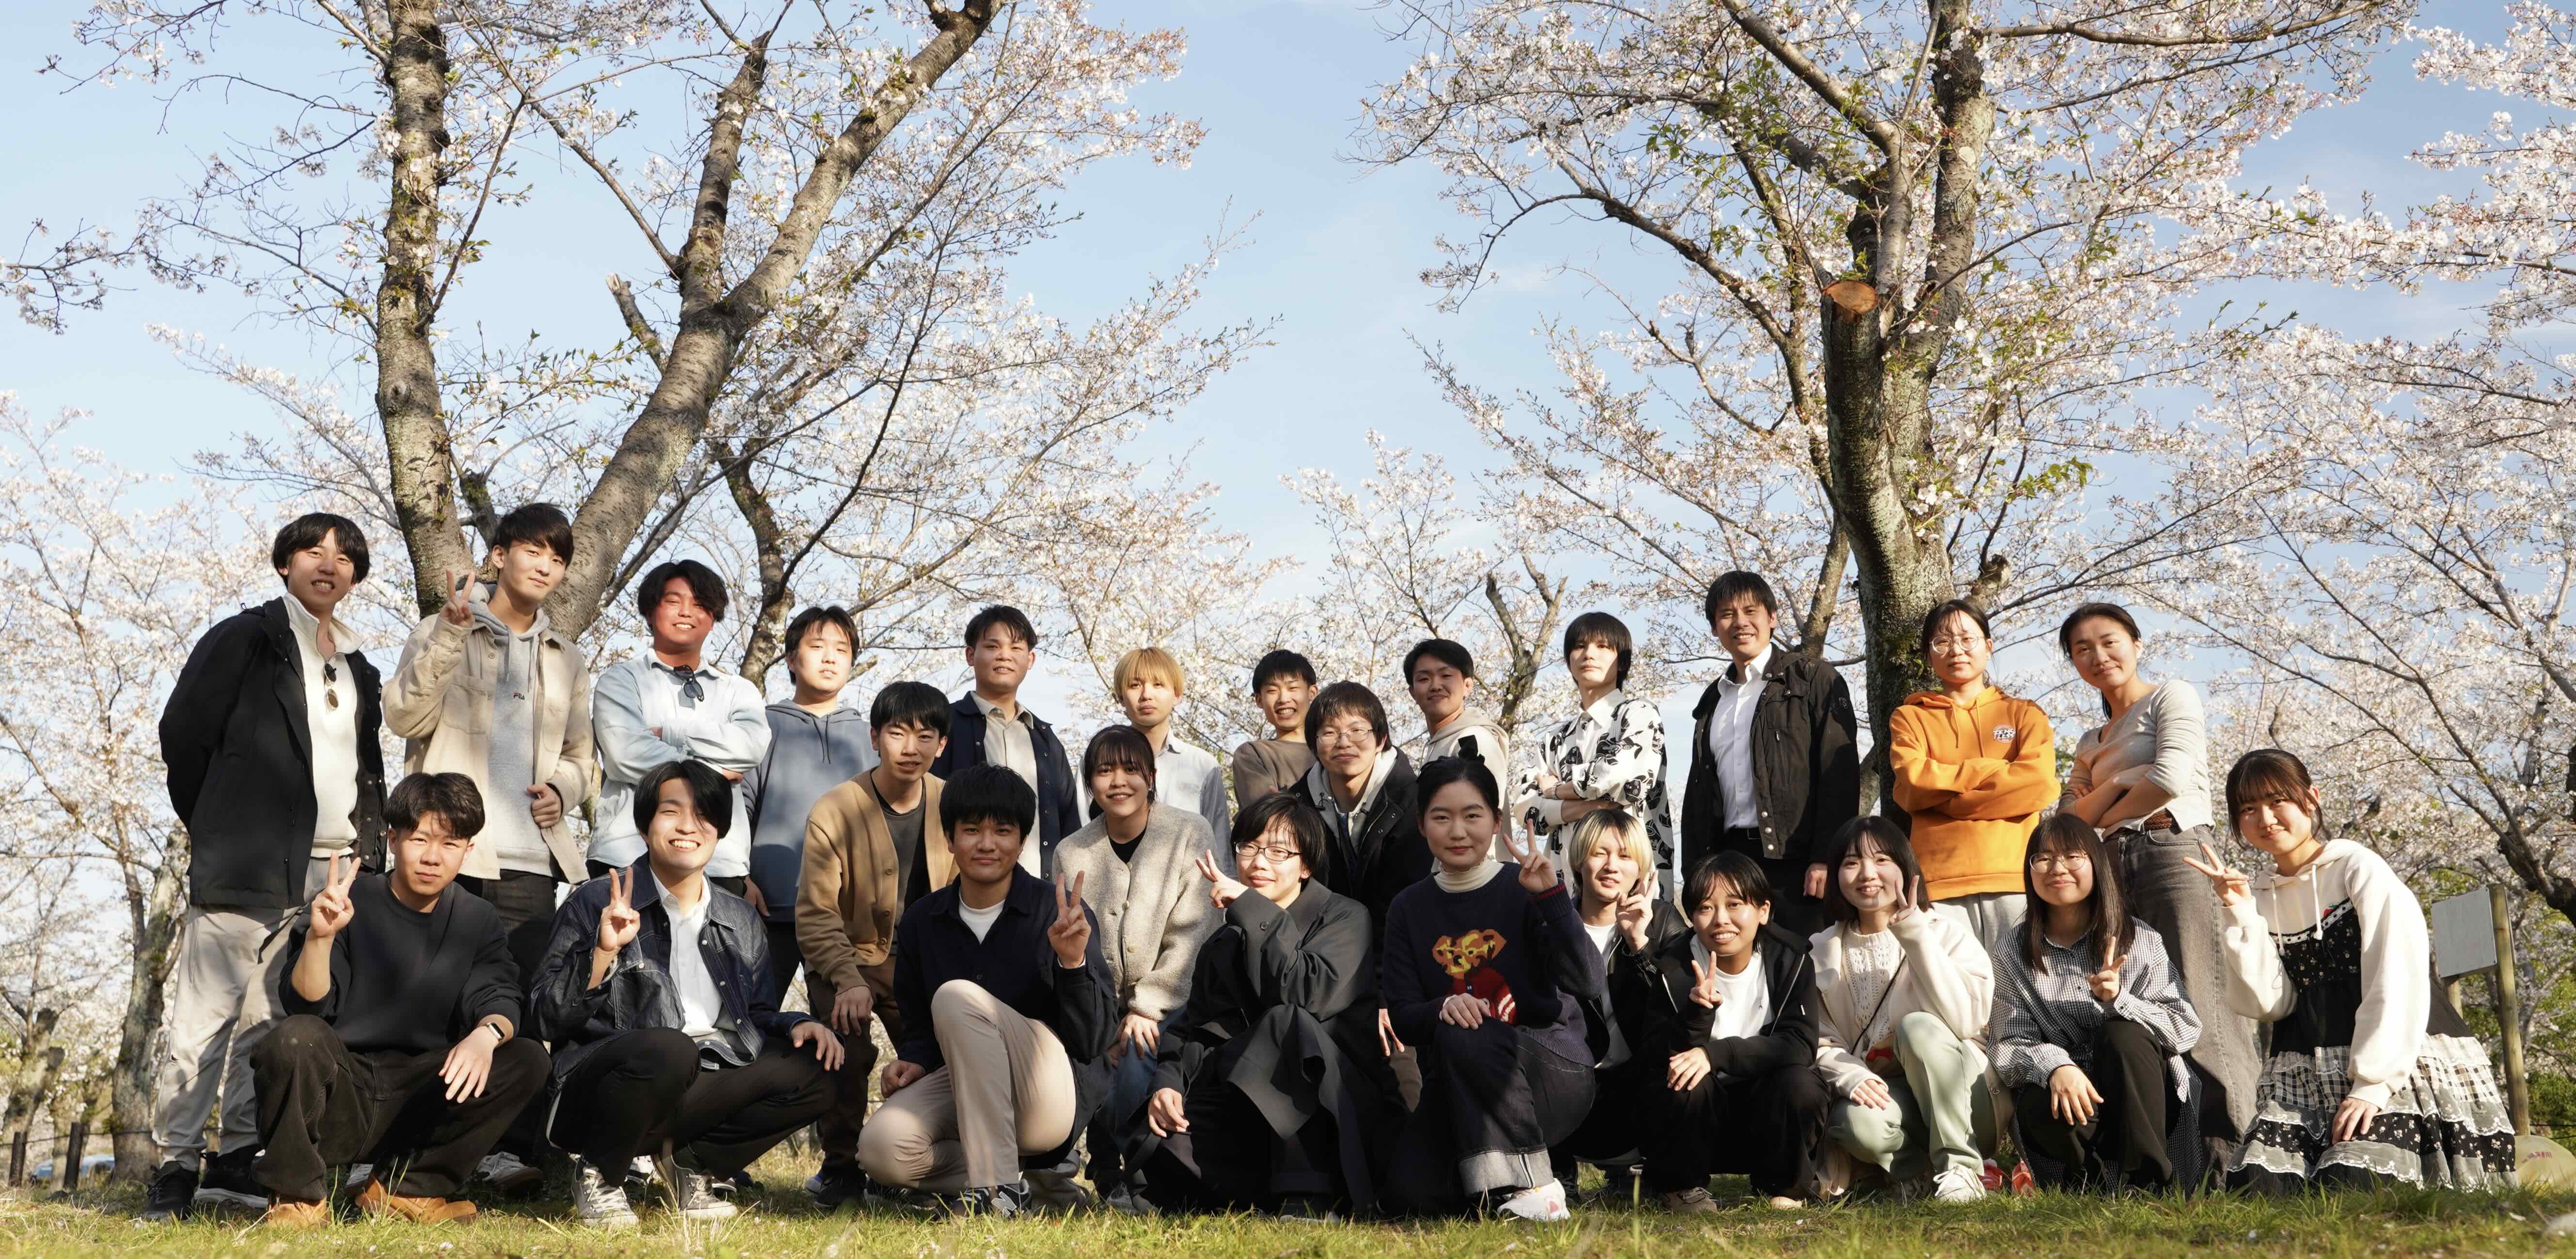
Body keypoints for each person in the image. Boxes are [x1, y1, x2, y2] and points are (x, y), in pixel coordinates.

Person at [147, 511, 391, 1221]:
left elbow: (364, 766)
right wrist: (217, 819)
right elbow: (183, 732)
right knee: (204, 1021)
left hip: (327, 869)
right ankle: (175, 1163)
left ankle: (238, 1156)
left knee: (272, 1018)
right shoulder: (245, 638)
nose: (328, 563)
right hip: (246, 861)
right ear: (285, 563)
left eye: (344, 555)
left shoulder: (358, 664)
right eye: (313, 550)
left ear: (355, 575)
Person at [2183, 749, 2516, 1192]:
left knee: (2356, 1179)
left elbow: (2395, 970)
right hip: (2307, 1066)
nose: (2265, 818)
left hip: (2394, 1059)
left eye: (2278, 800)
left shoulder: (2358, 868)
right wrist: (2240, 910)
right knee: (2261, 1185)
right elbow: (2270, 1004)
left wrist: (2372, 1084)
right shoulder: (2258, 894)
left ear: (2311, 799)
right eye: (2248, 808)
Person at [382, 501, 595, 1192]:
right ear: (499, 555)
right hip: (449, 850)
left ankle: (498, 1150)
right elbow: (403, 716)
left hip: (531, 859)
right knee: (428, 998)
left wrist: (563, 787)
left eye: (557, 558)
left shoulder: (568, 658)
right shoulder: (445, 627)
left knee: (515, 1008)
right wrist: (449, 632)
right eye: (533, 550)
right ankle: (401, 1147)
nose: (545, 566)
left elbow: (584, 757)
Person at [534, 760, 843, 1227]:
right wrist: (602, 953)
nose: (687, 827)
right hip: (601, 1091)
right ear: (644, 827)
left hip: (697, 1082)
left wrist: (798, 1023)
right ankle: (599, 1171)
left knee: (821, 1064)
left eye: (702, 815)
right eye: (671, 812)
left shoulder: (739, 917)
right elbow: (544, 1015)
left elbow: (756, 1016)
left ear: (719, 831)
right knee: (670, 1047)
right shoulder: (595, 901)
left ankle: (692, 1164)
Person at [249, 773, 547, 1227]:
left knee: (526, 1057)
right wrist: (320, 938)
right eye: (420, 839)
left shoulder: (477, 917)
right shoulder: (348, 900)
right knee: (294, 1039)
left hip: (425, 1097)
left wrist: (486, 1035)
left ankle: (406, 1188)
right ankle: (296, 1196)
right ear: (393, 840)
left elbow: (500, 994)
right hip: (343, 1091)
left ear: (468, 850)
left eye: (450, 844)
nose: (432, 857)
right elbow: (307, 1006)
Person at [858, 764, 1117, 1217]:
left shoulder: (1056, 913)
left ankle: (997, 1193)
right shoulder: (923, 921)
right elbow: (919, 1026)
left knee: (956, 996)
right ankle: (1023, 1181)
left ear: (1021, 840)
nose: (986, 843)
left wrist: (1072, 963)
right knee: (882, 1147)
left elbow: (1093, 1040)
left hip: (1046, 1093)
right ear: (949, 838)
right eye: (972, 829)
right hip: (966, 1087)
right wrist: (914, 1062)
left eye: (1002, 830)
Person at [2056, 601, 2258, 1162]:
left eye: (2109, 641)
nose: (2098, 656)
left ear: (2136, 643)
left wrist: (2101, 804)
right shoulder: (2089, 740)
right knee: (2134, 999)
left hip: (2173, 852)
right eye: (2082, 649)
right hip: (2111, 868)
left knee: (2201, 996)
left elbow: (2169, 777)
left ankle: (2235, 1155)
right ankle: (2176, 1155)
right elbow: (2068, 820)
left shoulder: (2172, 696)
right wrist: (2122, 779)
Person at [1135, 792, 1396, 1218]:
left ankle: (1309, 1195)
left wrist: (1251, 908)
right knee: (1165, 1147)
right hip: (1249, 1106)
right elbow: (1192, 1027)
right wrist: (1167, 1084)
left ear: (1306, 866)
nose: (1259, 863)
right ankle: (1256, 1191)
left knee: (1286, 1022)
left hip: (1335, 1109)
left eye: (1278, 852)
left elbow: (1305, 992)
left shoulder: (1346, 917)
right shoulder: (1224, 941)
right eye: (1249, 848)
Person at [1382, 758, 1604, 1222]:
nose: (1458, 831)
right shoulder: (1408, 907)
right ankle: (1497, 1189)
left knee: (1471, 1028)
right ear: (1422, 825)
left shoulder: (1526, 887)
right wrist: (1444, 1005)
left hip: (1550, 1069)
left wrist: (1551, 898)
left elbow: (1588, 980)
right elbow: (1403, 1015)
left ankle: (1534, 1186)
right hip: (1461, 1078)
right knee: (1411, 1195)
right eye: (1442, 817)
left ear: (1497, 821)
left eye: (1473, 815)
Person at [794, 679, 954, 1208]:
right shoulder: (836, 809)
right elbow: (816, 912)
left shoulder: (953, 803)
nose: (911, 747)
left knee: (942, 1052)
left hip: (926, 963)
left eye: (925, 736)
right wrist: (847, 979)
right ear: (874, 737)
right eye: (898, 733)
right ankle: (841, 1167)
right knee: (847, 1045)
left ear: (942, 744)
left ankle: (911, 1165)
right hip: (851, 955)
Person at [1990, 814, 2201, 1193]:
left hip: (2145, 1099)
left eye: (2073, 856)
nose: (2058, 868)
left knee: (2121, 1035)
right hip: (2077, 1102)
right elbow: (2007, 1043)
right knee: (2037, 1097)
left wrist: (2121, 1001)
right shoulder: (2013, 950)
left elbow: (2185, 1027)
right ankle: (2097, 1187)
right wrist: (2056, 1066)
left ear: (2097, 864)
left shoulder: (2140, 939)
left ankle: (2150, 1185)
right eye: (2044, 858)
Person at [1054, 725, 1218, 1206]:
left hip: (1176, 997)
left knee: (1139, 1050)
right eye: (1105, 771)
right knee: (1093, 1054)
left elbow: (1194, 931)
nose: (1118, 781)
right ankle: (1106, 1171)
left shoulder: (1189, 832)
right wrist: (1103, 1018)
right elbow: (1075, 941)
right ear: (1090, 782)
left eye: (1130, 769)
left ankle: (1138, 1174)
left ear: (1151, 776)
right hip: (1100, 1003)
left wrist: (1147, 1006)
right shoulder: (1072, 851)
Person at [1809, 816, 2000, 1204]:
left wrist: (1915, 935)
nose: (1867, 874)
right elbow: (1817, 1038)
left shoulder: (1945, 931)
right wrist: (1850, 1075)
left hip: (1966, 1096)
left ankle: (1961, 1168)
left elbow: (1967, 1021)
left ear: (1905, 866)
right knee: (1853, 1122)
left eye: (1882, 860)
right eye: (1851, 862)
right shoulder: (1821, 949)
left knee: (1918, 1028)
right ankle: (1915, 1175)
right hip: (1891, 1098)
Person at [1631, 852, 1827, 1212]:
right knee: (1682, 1075)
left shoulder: (1791, 958)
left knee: (1801, 1083)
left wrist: (1716, 1054)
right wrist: (1697, 1017)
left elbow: (1799, 1044)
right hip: (1701, 1123)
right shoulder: (1674, 967)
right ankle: (1682, 1187)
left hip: (1765, 1113)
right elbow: (1654, 1060)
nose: (1721, 919)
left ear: (1763, 910)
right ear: (1692, 917)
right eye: (1706, 908)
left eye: (1735, 904)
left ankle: (1784, 1185)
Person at [1680, 571, 1859, 939]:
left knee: (1807, 964)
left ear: (1772, 617)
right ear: (1714, 628)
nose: (1740, 622)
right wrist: (1696, 871)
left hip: (1798, 863)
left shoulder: (1813, 680)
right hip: (1730, 865)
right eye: (1727, 614)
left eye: (1751, 611)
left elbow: (1838, 775)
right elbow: (1698, 794)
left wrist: (1826, 856)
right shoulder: (1712, 701)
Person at [1887, 599, 2057, 953]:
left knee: (2020, 985)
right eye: (1942, 641)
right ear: (1928, 654)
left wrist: (1945, 796)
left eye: (1968, 639)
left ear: (1988, 646)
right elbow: (1913, 782)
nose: (1956, 650)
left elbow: (2038, 784)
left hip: (2015, 876)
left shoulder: (2024, 714)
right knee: (1952, 985)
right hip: (1938, 880)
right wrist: (1988, 769)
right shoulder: (1910, 717)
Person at [591, 559, 770, 890]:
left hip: (719, 860)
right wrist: (714, 771)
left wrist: (674, 733)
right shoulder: (621, 680)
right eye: (673, 601)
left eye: (700, 605)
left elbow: (752, 746)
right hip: (628, 852)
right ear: (650, 612)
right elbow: (625, 754)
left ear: (713, 619)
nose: (686, 612)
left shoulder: (738, 690)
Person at [1549, 807, 1687, 1204]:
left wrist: (1640, 946)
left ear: (1641, 868)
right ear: (1580, 860)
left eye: (1625, 856)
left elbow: (1682, 1016)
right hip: (1570, 1086)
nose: (1612, 866)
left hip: (1639, 1089)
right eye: (1600, 853)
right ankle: (1557, 1176)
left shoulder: (1663, 922)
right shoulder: (1554, 925)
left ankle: (1662, 1177)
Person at [743, 604, 876, 996]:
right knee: (751, 1014)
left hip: (847, 913)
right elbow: (738, 807)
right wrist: (740, 878)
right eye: (817, 646)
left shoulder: (871, 737)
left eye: (842, 649)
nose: (830, 657)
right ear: (791, 659)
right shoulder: (762, 725)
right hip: (770, 907)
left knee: (845, 1023)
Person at [1514, 612, 1673, 895]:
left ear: (1621, 661)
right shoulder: (1555, 739)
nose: (1589, 654)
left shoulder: (1638, 714)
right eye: (1580, 646)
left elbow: (1622, 779)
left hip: (1631, 886)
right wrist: (1591, 806)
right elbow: (1524, 808)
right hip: (1565, 888)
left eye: (1603, 646)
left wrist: (1554, 792)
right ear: (1569, 661)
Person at [930, 605, 1083, 875]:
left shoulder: (1046, 740)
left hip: (1039, 889)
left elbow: (1070, 824)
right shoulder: (945, 727)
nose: (1004, 656)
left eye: (1016, 648)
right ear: (970, 655)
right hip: (962, 887)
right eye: (992, 647)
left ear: (1031, 659)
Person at [1113, 647, 1232, 862]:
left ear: (1177, 695)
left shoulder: (1202, 765)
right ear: (1120, 697)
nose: (1147, 695)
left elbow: (1219, 843)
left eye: (1158, 684)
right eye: (1135, 685)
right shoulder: (1098, 763)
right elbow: (1083, 831)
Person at [1231, 649, 1319, 808]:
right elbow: (1269, 815)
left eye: (1293, 688)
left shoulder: (1334, 748)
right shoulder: (1254, 754)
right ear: (1259, 700)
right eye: (1272, 691)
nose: (1283, 699)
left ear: (1312, 693)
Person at [1408, 638, 1508, 776]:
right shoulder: (1438, 743)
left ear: (1467, 686)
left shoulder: (1473, 740)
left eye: (1446, 675)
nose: (1435, 686)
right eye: (1424, 679)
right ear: (1413, 692)